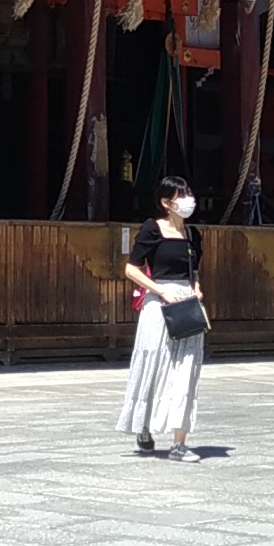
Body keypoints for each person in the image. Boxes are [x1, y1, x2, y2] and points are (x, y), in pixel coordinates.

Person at [117, 177, 206, 459]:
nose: (187, 200)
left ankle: (179, 443)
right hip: (159, 301)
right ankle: (144, 425)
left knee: (187, 370)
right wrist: (160, 291)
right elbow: (132, 269)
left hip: (187, 303)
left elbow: (194, 271)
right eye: (180, 195)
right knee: (154, 363)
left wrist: (197, 289)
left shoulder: (193, 234)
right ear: (166, 202)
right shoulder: (152, 228)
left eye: (189, 193)